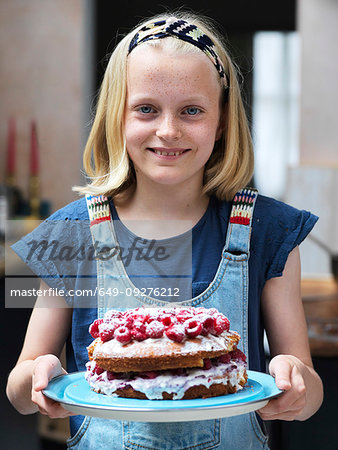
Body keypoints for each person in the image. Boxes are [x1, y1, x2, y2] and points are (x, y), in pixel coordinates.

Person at [6, 10, 323, 450]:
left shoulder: (268, 232)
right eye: (146, 109)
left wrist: (297, 383)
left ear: (223, 120)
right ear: (117, 115)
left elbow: (308, 391)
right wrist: (38, 379)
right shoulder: (69, 236)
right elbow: (20, 387)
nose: (168, 130)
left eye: (192, 110)